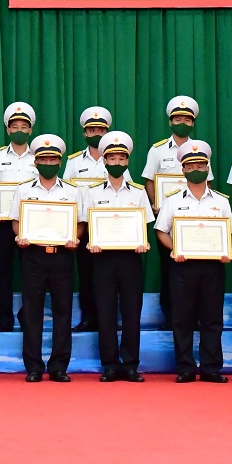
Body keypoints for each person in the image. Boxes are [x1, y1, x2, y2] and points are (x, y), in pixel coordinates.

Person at [154, 140, 232, 384]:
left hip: (212, 267)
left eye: (200, 165)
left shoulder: (221, 201)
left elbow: (229, 232)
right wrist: (175, 248)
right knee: (182, 318)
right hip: (183, 266)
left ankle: (211, 368)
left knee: (212, 319)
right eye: (190, 166)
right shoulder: (172, 201)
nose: (196, 169)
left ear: (208, 168)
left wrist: (225, 250)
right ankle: (185, 367)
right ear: (183, 170)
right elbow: (161, 231)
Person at [10, 134, 83, 382]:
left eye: (53, 159)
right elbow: (16, 221)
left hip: (62, 256)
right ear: (36, 162)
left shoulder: (72, 191)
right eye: (43, 159)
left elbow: (80, 223)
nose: (48, 163)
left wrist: (74, 237)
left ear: (60, 162)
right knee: (32, 312)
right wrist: (20, 236)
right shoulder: (23, 190)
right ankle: (33, 366)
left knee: (63, 311)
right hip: (33, 255)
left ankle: (59, 366)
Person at [81, 131, 150, 382]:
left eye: (122, 159)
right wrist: (93, 242)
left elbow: (144, 225)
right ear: (105, 161)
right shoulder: (92, 193)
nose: (117, 163)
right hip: (103, 259)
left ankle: (131, 364)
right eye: (112, 159)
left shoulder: (138, 192)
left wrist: (143, 242)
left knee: (132, 312)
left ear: (128, 161)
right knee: (106, 311)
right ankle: (109, 364)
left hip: (131, 259)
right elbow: (87, 224)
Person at [140, 95, 211, 322]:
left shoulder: (201, 150)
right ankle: (170, 314)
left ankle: (195, 315)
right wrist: (156, 206)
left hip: (195, 220)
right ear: (170, 121)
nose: (182, 123)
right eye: (178, 119)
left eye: (187, 119)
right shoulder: (158, 150)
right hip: (168, 221)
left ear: (193, 122)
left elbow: (207, 183)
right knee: (169, 267)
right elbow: (149, 181)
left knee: (197, 267)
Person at [64, 106, 130, 333]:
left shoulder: (116, 159)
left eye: (100, 130)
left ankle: (111, 318)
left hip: (111, 228)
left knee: (113, 276)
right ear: (84, 133)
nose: (96, 134)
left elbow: (127, 190)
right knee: (86, 274)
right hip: (84, 226)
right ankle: (88, 317)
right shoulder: (74, 162)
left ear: (107, 132)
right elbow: (67, 193)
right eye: (91, 130)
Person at [0, 102, 38, 332]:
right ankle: (3, 318)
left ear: (30, 130)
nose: (19, 130)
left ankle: (28, 315)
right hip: (2, 223)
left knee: (30, 272)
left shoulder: (40, 156)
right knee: (3, 271)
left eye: (24, 126)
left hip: (31, 224)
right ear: (8, 129)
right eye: (14, 126)